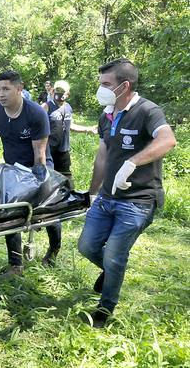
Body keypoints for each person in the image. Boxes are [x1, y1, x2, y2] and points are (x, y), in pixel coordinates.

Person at [77, 58, 177, 328]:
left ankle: (105, 311)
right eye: (100, 83)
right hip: (107, 198)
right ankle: (110, 273)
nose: (101, 89)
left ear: (124, 86)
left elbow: (167, 140)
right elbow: (102, 156)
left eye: (106, 84)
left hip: (138, 201)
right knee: (86, 246)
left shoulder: (147, 111)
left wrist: (133, 162)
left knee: (114, 256)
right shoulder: (106, 113)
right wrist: (93, 193)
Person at [0, 69, 52, 278]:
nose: (1, 94)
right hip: (12, 170)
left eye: (6, 89)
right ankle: (16, 265)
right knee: (10, 213)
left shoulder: (36, 113)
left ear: (19, 88)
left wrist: (39, 184)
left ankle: (53, 250)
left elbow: (39, 154)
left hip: (39, 168)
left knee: (49, 214)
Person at [37, 80, 98, 267]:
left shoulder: (68, 107)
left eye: (63, 92)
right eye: (57, 91)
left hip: (63, 154)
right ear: (53, 91)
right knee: (46, 192)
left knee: (66, 190)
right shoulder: (45, 107)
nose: (59, 94)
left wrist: (88, 129)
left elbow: (69, 126)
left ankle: (58, 225)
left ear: (68, 94)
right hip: (47, 155)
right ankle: (41, 219)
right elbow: (36, 128)